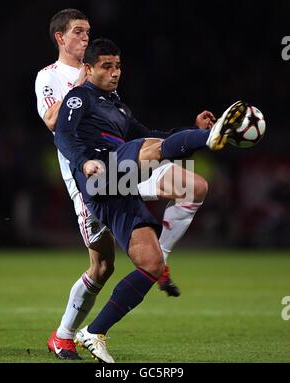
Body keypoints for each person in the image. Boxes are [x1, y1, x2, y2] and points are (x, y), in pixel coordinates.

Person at [54, 37, 247, 363]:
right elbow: (63, 134)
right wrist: (84, 161)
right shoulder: (80, 97)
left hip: (122, 185)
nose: (115, 73)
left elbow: (153, 137)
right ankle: (211, 139)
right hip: (100, 175)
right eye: (106, 66)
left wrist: (190, 129)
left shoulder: (117, 106)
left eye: (118, 66)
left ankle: (94, 332)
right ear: (88, 68)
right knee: (149, 150)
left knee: (153, 262)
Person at [35, 8, 209, 360]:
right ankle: (64, 335)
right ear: (61, 38)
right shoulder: (50, 78)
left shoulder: (114, 99)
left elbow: (147, 137)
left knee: (193, 186)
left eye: (88, 33)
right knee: (102, 267)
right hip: (87, 179)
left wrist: (192, 133)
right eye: (78, 32)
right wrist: (80, 89)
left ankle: (162, 257)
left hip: (120, 169)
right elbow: (56, 126)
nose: (85, 38)